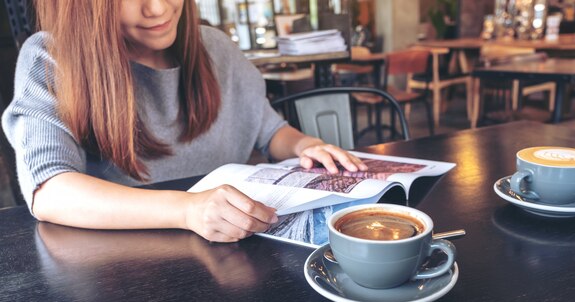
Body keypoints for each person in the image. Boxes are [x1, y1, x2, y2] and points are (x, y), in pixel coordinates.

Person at [1, 0, 367, 243]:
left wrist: (305, 145)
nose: (158, 8)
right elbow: (50, 192)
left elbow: (269, 130)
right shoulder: (50, 59)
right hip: (124, 277)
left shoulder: (215, 47)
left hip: (234, 261)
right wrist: (189, 209)